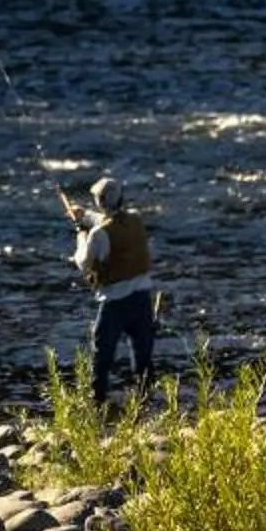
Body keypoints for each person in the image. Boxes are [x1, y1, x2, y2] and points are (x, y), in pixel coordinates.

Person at [69, 173, 157, 404]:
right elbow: (112, 223)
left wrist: (80, 232)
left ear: (101, 201)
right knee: (143, 357)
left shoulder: (98, 234)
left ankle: (97, 403)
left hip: (115, 304)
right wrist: (85, 216)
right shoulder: (136, 220)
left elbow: (83, 262)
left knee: (102, 357)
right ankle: (145, 402)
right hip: (142, 300)